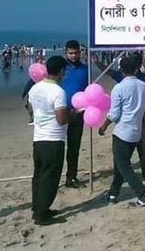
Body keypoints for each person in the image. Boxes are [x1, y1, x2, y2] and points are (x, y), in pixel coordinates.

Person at [92, 52, 145, 184]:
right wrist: (97, 62)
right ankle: (122, 174)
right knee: (125, 149)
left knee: (144, 146)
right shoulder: (123, 78)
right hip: (126, 118)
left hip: (141, 117)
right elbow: (109, 72)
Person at [27, 56, 69, 225]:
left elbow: (30, 109)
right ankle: (41, 214)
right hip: (53, 138)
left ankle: (38, 206)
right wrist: (73, 114)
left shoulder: (35, 88)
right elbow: (61, 119)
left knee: (39, 175)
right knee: (50, 177)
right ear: (61, 72)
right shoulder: (58, 92)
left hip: (39, 138)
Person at [61, 40, 89, 188]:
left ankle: (71, 176)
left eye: (76, 53)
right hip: (59, 112)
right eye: (70, 53)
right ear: (65, 52)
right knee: (58, 147)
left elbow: (89, 90)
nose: (73, 55)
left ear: (80, 52)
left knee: (74, 147)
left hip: (77, 113)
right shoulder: (60, 68)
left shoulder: (86, 70)